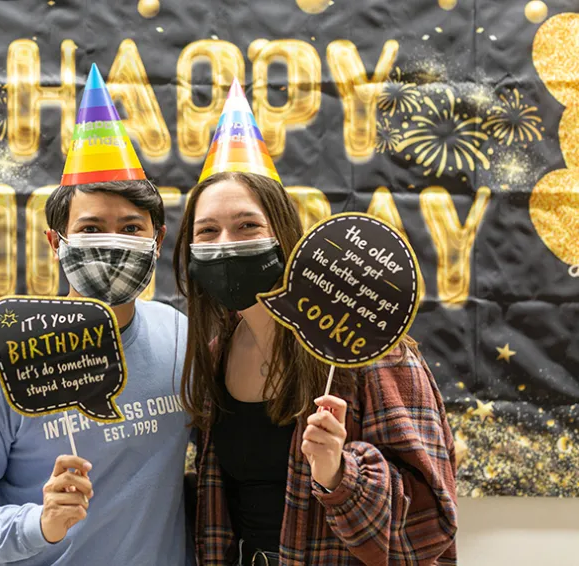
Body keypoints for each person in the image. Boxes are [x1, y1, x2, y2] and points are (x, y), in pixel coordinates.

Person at [173, 80, 458, 566]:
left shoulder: (368, 349)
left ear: (283, 235)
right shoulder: (217, 353)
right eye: (208, 231)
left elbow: (432, 520)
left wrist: (338, 474)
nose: (226, 243)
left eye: (247, 226)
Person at [0, 64, 192, 566]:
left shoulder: (181, 339)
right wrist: (37, 524)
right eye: (91, 228)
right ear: (56, 242)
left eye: (131, 228)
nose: (113, 242)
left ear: (156, 241)